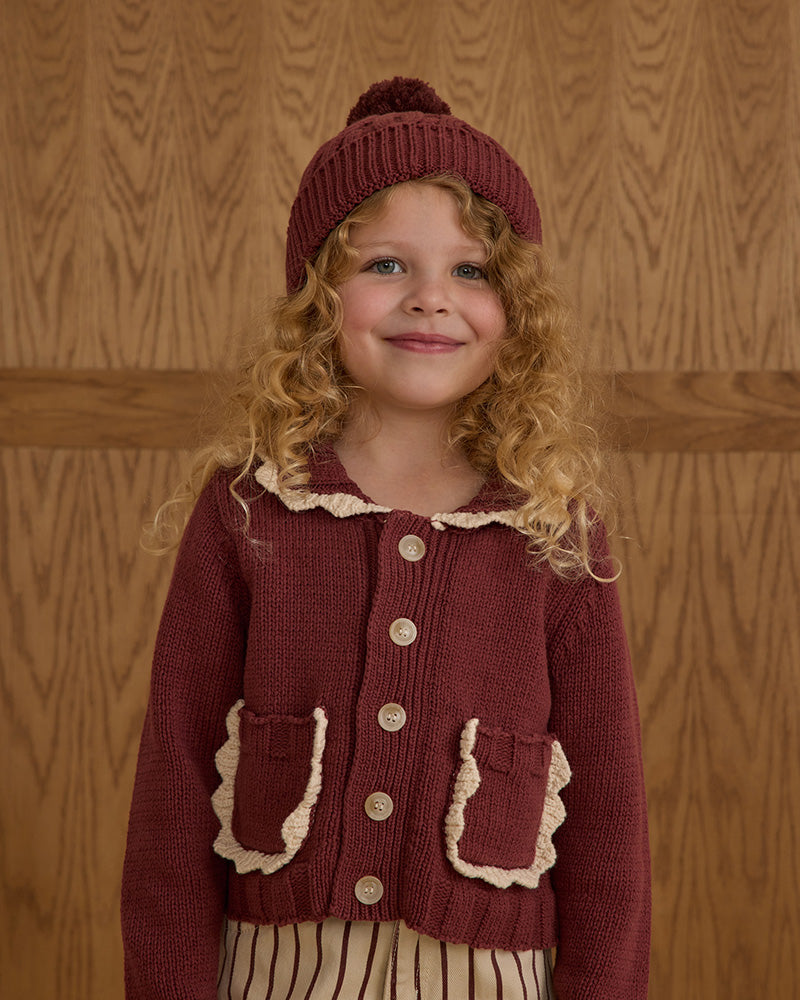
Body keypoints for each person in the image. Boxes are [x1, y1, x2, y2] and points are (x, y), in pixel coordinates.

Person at [121, 77, 650, 999]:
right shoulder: (249, 508)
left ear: (515, 306)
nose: (431, 301)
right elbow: (174, 780)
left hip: (487, 978)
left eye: (472, 270)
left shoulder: (555, 527)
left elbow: (609, 814)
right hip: (278, 974)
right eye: (386, 266)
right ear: (318, 296)